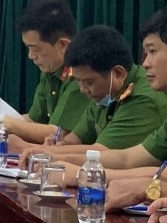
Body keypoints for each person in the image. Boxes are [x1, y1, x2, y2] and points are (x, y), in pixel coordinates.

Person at [24, 8, 167, 212]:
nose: (145, 63)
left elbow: (147, 171)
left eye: (152, 51)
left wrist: (79, 173)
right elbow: (129, 159)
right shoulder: (104, 94)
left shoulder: (146, 99)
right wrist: (55, 156)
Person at [19, 25, 167, 156]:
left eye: (88, 82)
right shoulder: (104, 94)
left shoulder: (144, 99)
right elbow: (75, 139)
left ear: (118, 73)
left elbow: (103, 153)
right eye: (78, 81)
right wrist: (58, 144)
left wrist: (35, 150)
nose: (83, 90)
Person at [0, 0, 90, 146]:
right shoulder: (49, 71)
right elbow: (34, 120)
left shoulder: (82, 75)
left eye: (35, 49)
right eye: (28, 48)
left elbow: (61, 134)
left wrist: (6, 123)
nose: (30, 55)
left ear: (63, 45)